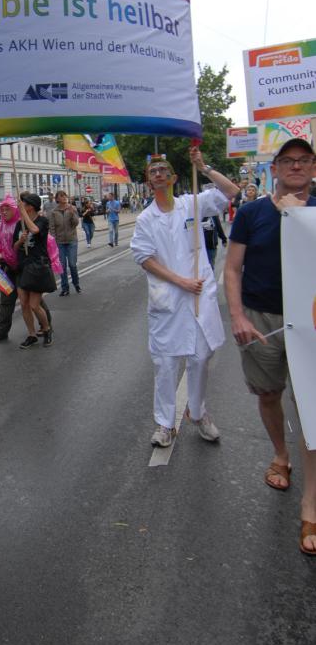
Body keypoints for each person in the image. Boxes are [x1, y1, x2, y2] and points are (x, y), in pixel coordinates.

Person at [223, 137, 316, 555]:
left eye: (304, 160)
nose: (296, 166)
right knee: (268, 394)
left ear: (313, 168)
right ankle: (281, 454)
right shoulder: (251, 213)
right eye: (288, 160)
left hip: (311, 321)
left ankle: (310, 504)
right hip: (261, 320)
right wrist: (238, 316)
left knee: (312, 411)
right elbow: (232, 269)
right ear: (274, 168)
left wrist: (301, 220)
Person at [131, 149, 239, 447]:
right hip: (169, 299)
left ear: (174, 177)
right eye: (153, 172)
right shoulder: (145, 219)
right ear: (149, 182)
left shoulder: (191, 204)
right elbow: (144, 258)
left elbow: (231, 192)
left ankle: (197, 412)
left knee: (201, 357)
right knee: (165, 364)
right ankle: (165, 424)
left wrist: (204, 167)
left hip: (198, 297)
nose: (158, 174)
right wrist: (181, 282)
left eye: (163, 170)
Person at [0, 194, 52, 343]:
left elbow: (38, 234)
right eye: (2, 209)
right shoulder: (3, 225)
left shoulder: (29, 221)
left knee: (35, 302)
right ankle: (3, 332)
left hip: (29, 267)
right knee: (8, 301)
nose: (4, 212)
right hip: (10, 268)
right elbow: (5, 245)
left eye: (7, 209)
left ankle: (46, 326)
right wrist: (0, 254)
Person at [13, 192, 54, 348]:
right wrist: (20, 241)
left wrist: (23, 213)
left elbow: (35, 230)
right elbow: (14, 247)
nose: (21, 206)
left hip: (37, 266)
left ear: (30, 206)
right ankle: (31, 334)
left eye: (24, 204)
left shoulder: (42, 220)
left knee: (34, 305)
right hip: (22, 267)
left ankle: (47, 329)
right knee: (24, 304)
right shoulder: (20, 224)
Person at [49, 190, 81, 295]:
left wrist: (72, 214)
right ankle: (65, 288)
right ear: (57, 199)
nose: (64, 197)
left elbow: (76, 223)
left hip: (72, 240)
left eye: (65, 195)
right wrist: (54, 242)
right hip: (60, 242)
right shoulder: (54, 212)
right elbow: (52, 228)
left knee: (72, 264)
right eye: (61, 196)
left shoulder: (72, 208)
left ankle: (76, 283)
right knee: (62, 266)